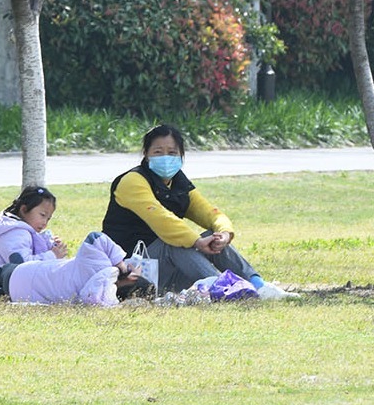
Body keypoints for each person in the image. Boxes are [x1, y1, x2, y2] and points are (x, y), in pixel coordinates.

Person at [101, 124, 290, 298]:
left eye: (172, 152)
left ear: (181, 156)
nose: (165, 157)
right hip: (130, 273)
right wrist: (197, 242)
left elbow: (210, 212)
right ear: (146, 154)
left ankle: (260, 286)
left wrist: (224, 233)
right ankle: (224, 289)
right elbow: (162, 219)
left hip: (163, 273)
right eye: (158, 152)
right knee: (172, 243)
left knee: (212, 236)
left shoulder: (178, 183)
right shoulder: (132, 181)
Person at [0, 231, 154, 307]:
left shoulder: (97, 266)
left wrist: (122, 265)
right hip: (23, 296)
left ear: (131, 278)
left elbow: (95, 237)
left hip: (22, 273)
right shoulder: (99, 299)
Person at [0, 185, 67, 271]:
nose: (45, 223)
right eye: (42, 215)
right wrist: (52, 255)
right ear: (24, 210)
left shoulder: (16, 230)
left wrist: (48, 244)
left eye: (48, 218)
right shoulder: (14, 233)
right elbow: (23, 267)